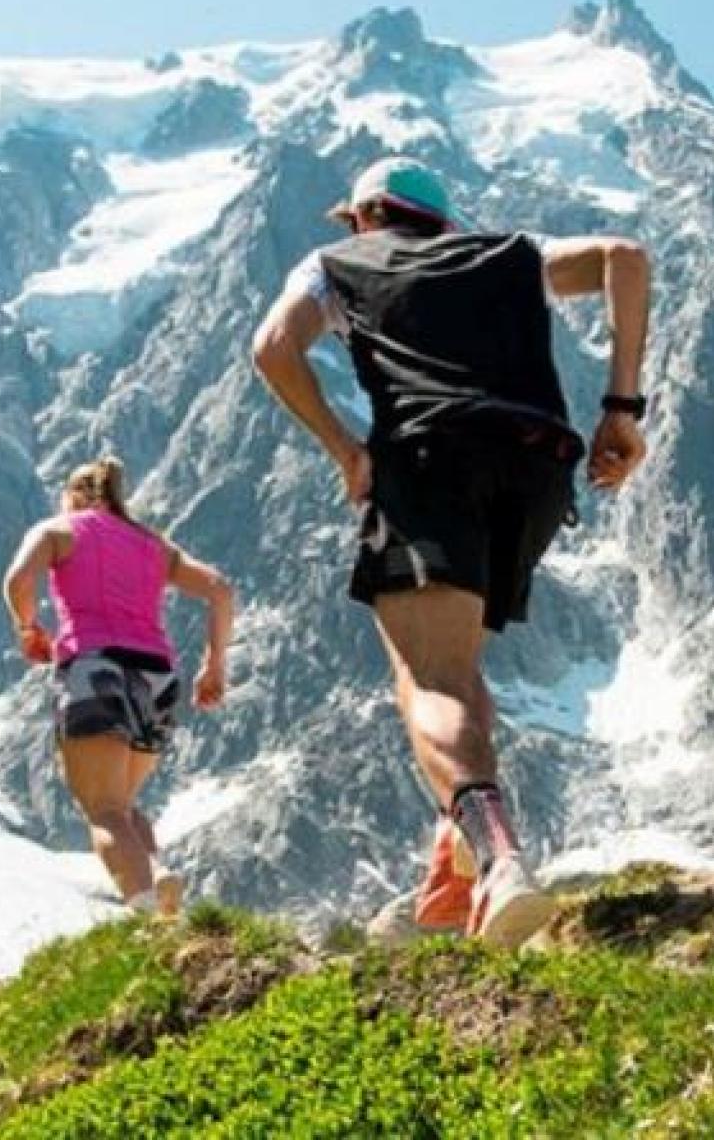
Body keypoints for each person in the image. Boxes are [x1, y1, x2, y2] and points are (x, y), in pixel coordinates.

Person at [253, 157, 650, 947]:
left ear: (366, 215)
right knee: (458, 667)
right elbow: (625, 259)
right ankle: (452, 862)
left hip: (432, 459)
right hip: (540, 468)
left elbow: (272, 348)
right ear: (442, 221)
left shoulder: (337, 263)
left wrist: (343, 450)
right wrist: (621, 410)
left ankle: (501, 861)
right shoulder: (500, 254)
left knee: (427, 677)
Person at [2, 456, 234, 915]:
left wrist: (28, 628)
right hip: (158, 674)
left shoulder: (57, 530)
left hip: (95, 665)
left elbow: (18, 580)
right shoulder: (154, 545)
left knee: (103, 809)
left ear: (73, 496)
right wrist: (215, 665)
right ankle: (156, 875)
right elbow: (221, 590)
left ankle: (143, 909)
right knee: (123, 804)